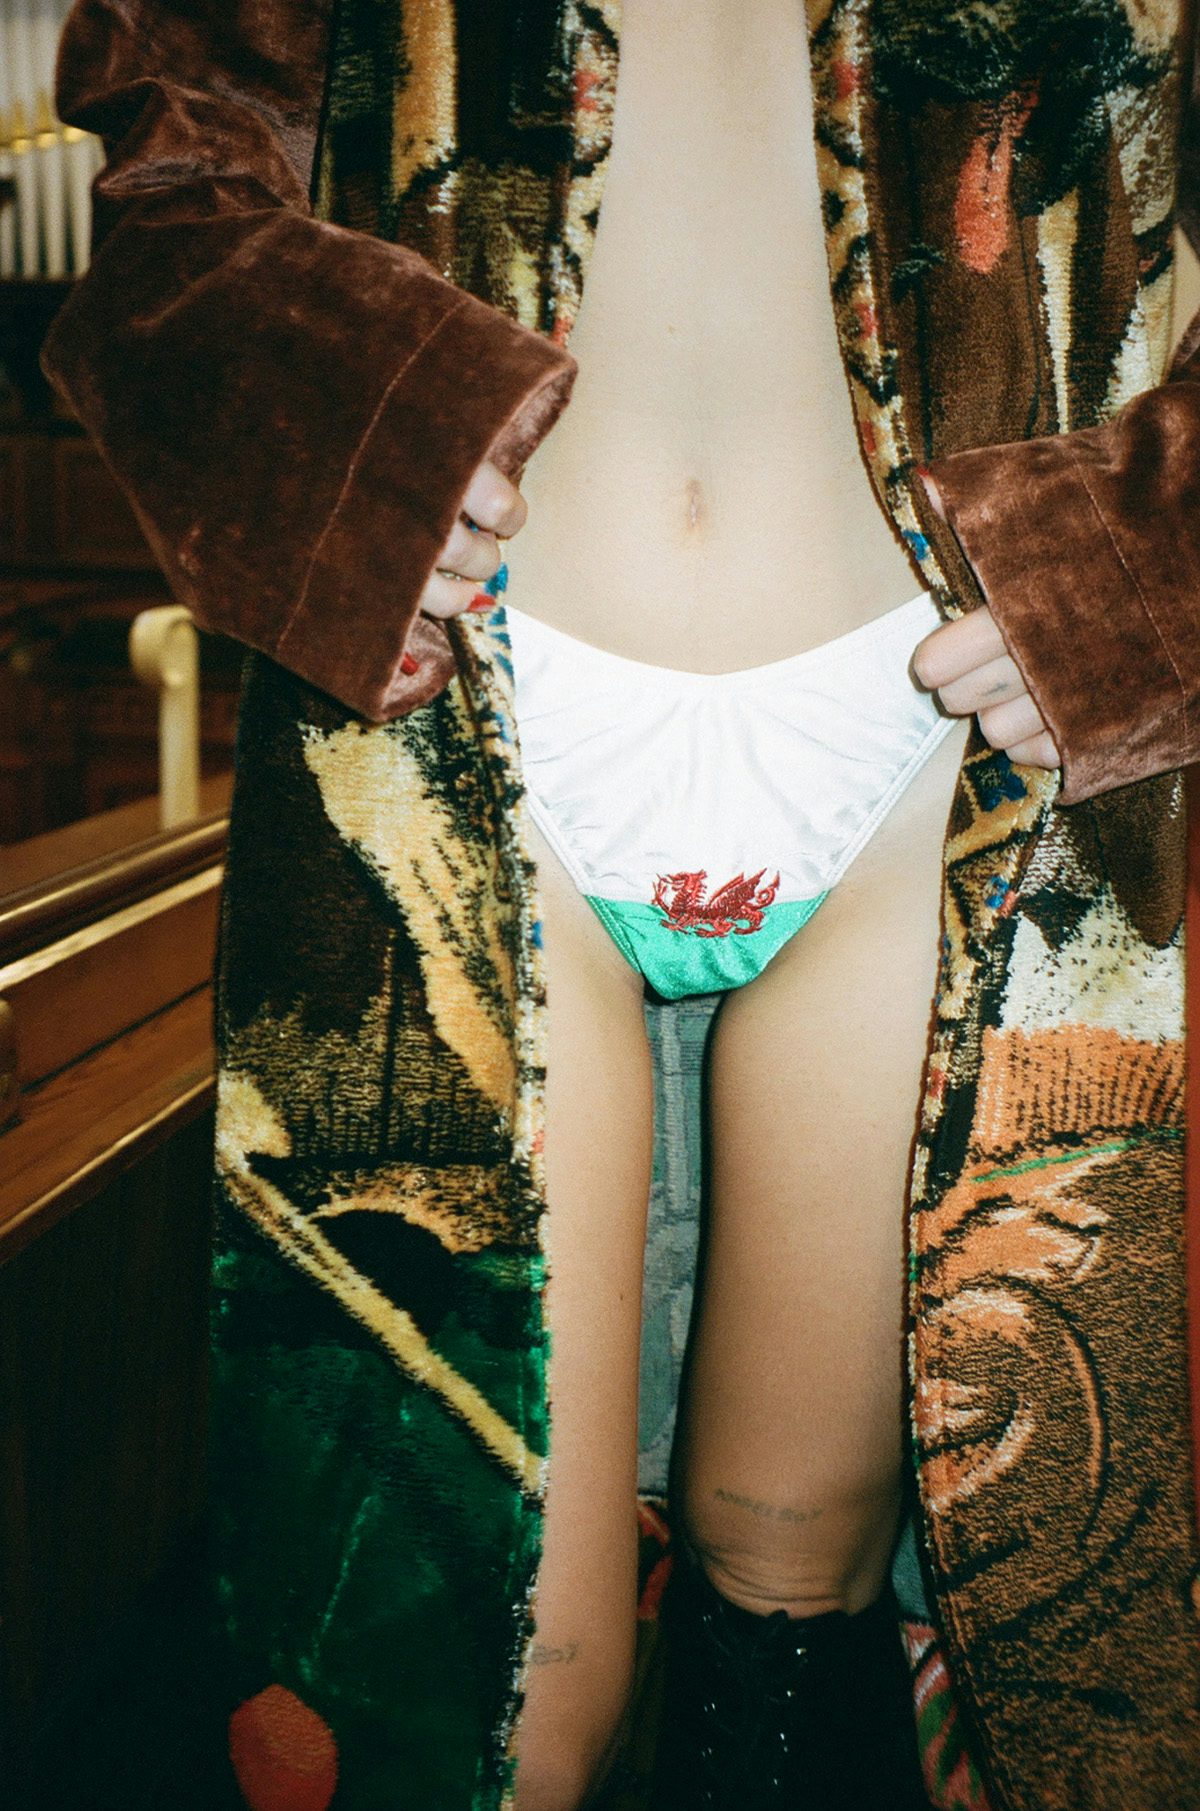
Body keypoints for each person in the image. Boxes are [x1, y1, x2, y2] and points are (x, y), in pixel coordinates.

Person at [42, 3, 1200, 1809]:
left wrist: (1152, 561)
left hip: (929, 739)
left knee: (794, 1564)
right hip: (473, 714)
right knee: (483, 1669)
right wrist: (324, 435)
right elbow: (171, 173)